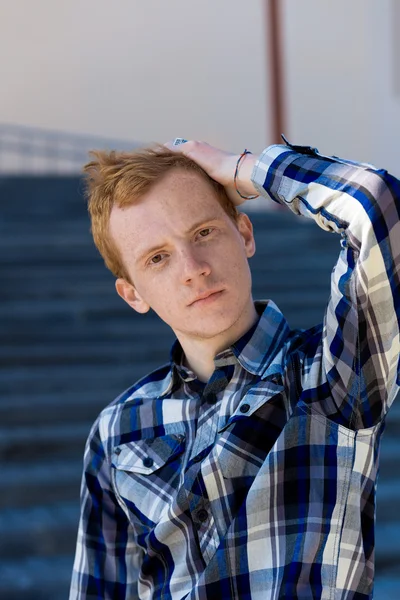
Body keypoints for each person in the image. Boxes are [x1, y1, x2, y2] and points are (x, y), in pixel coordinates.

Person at [69, 135, 400, 600]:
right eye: (158, 258)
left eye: (203, 232)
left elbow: (378, 206)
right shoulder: (117, 429)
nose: (193, 268)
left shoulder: (329, 374)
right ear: (133, 294)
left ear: (244, 234)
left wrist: (246, 169)